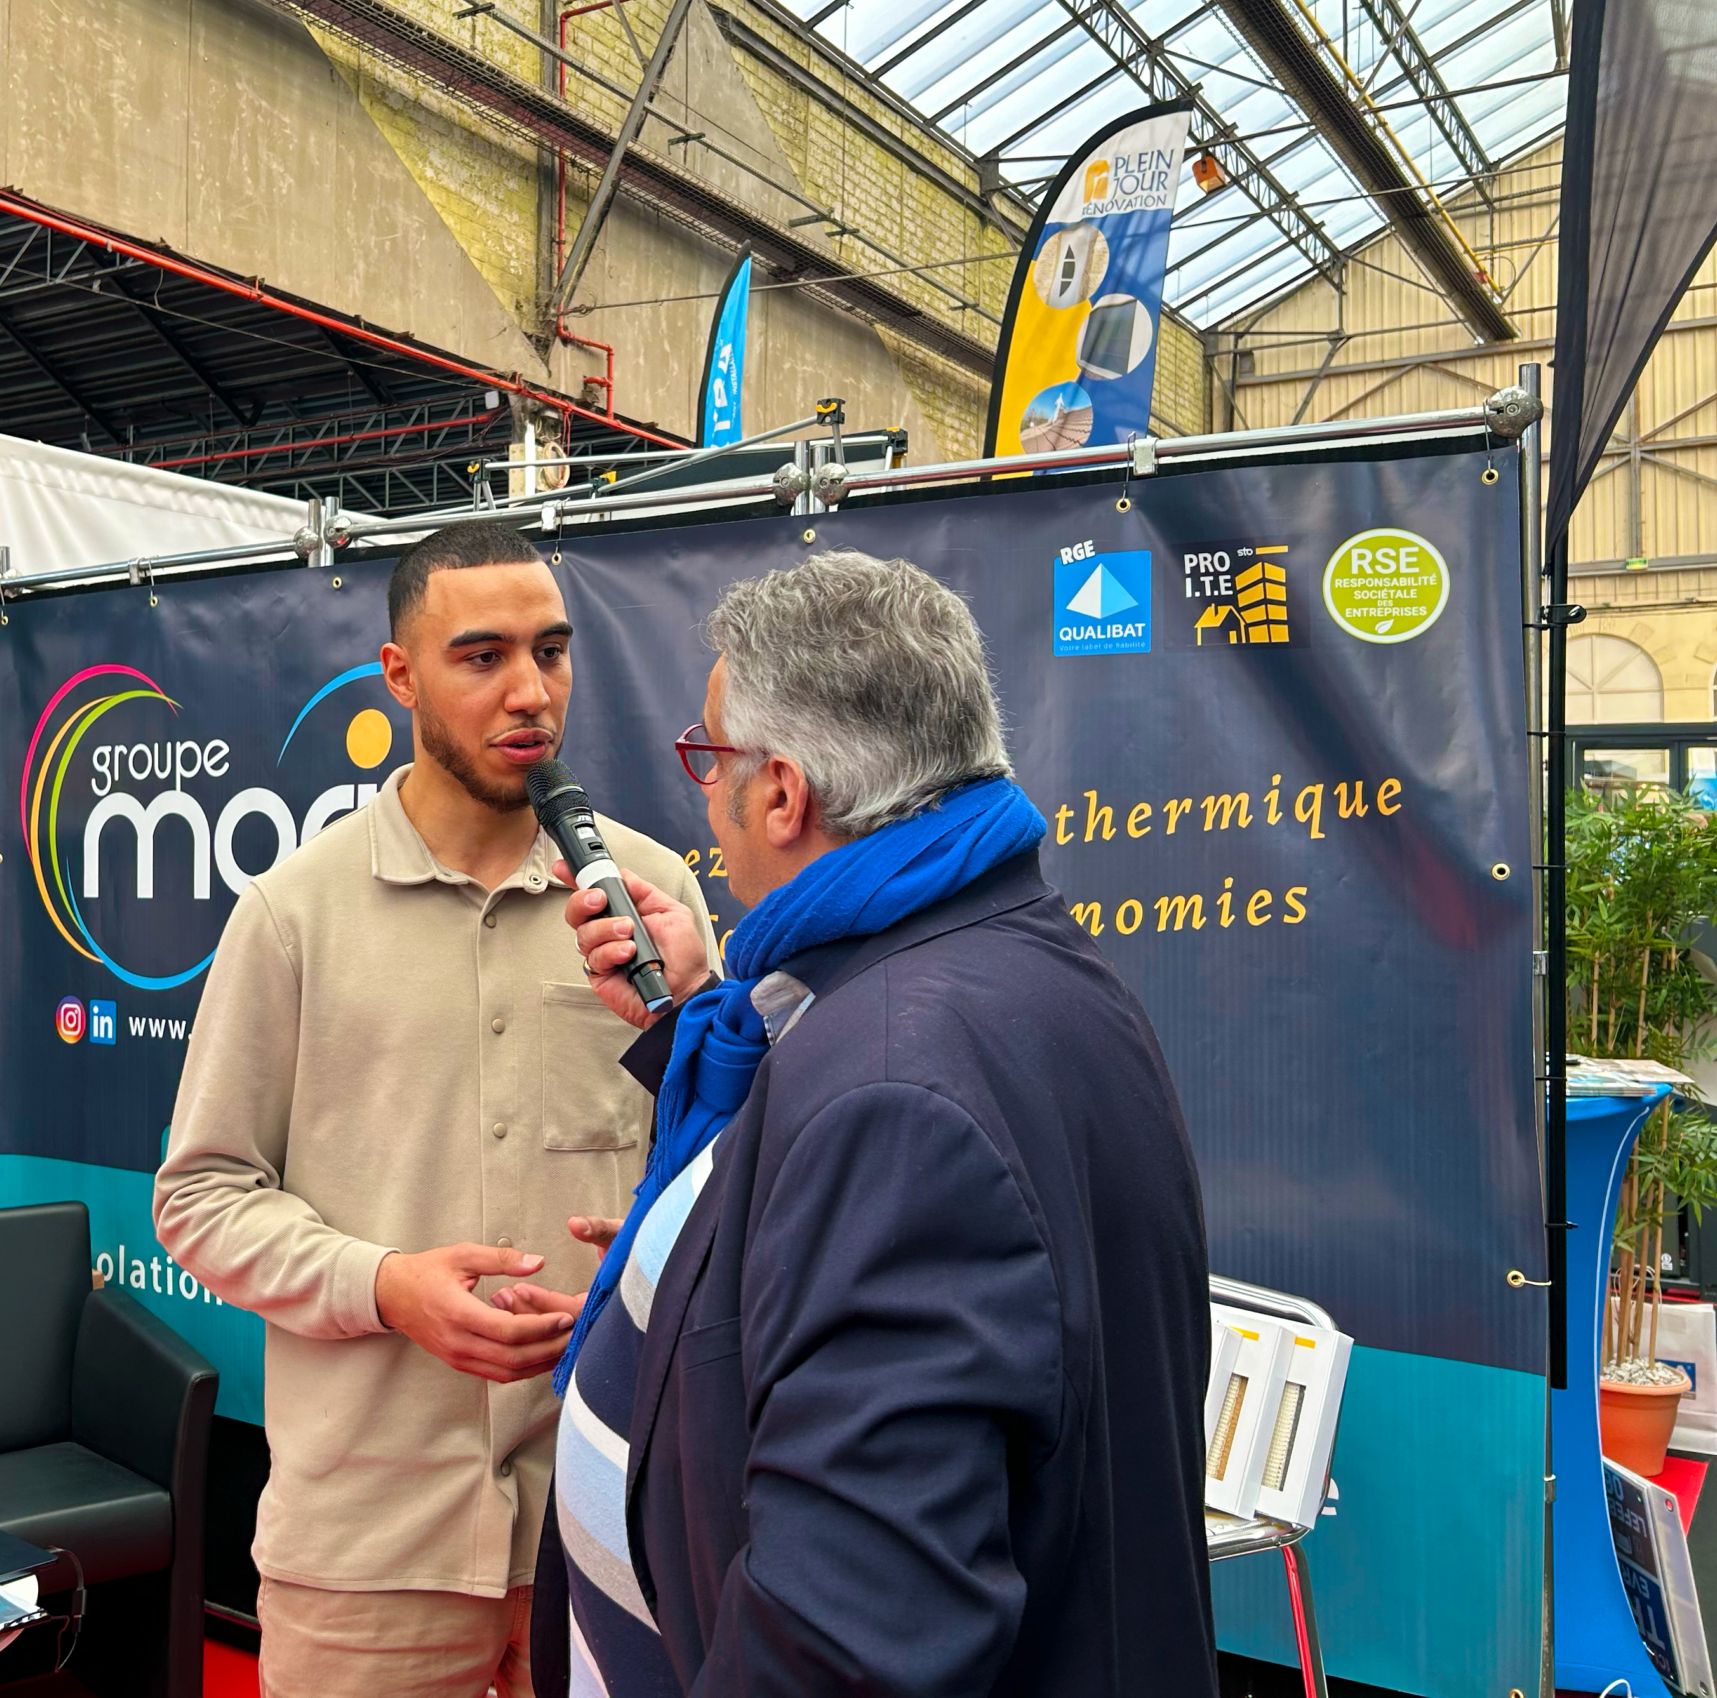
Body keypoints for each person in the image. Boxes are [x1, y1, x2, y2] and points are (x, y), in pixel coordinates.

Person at [506, 550, 1216, 1696]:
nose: (704, 793)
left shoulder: (895, 1091)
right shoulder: (994, 966)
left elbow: (846, 1641)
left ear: (782, 792)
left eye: (709, 759)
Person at [155, 520, 714, 1698]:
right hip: (367, 1557)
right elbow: (201, 1198)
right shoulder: (293, 914)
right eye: (482, 657)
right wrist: (382, 1286)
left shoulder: (654, 899)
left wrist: (699, 1027)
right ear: (399, 675)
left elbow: (731, 1184)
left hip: (611, 1529)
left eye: (552, 652)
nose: (530, 693)